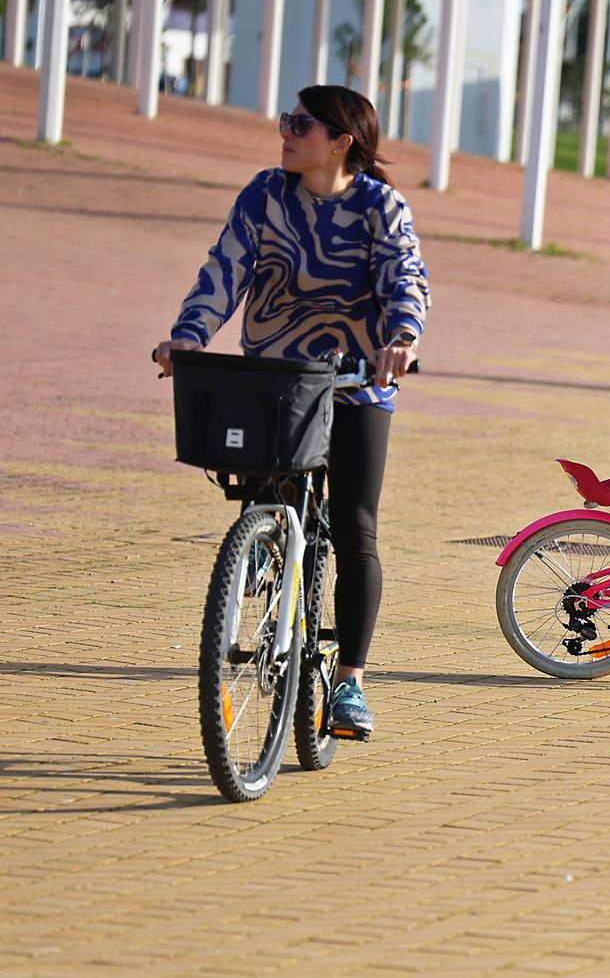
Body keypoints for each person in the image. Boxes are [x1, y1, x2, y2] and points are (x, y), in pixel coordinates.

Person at [153, 85, 429, 740]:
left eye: (301, 123)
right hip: (276, 374)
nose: (286, 131)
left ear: (341, 141)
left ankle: (352, 681)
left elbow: (404, 280)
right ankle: (265, 541)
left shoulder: (379, 207)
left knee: (356, 525)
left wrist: (403, 341)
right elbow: (224, 270)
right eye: (286, 119)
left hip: (359, 378)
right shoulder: (265, 194)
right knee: (260, 482)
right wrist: (189, 335)